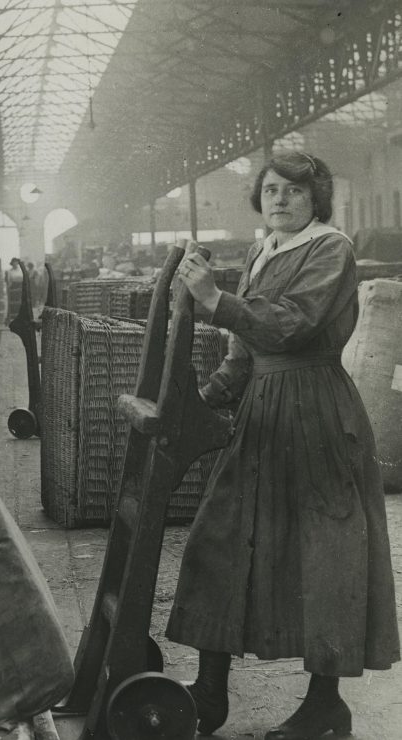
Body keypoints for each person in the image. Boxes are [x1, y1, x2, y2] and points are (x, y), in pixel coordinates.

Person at [167, 151, 399, 739]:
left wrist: (216, 301)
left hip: (317, 414)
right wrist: (207, 398)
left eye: (294, 191)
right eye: (271, 190)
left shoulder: (331, 249)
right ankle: (210, 693)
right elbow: (245, 349)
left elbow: (292, 324)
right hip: (262, 415)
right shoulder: (261, 251)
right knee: (222, 538)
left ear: (316, 198)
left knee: (324, 556)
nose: (280, 200)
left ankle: (325, 706)